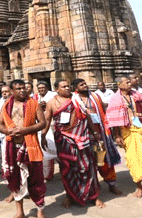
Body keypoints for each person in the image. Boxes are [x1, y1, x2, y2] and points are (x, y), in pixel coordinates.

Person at [41, 80, 105, 209]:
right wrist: (43, 136)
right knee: (67, 169)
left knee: (88, 167)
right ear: (56, 89)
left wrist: (95, 132)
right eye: (63, 86)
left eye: (67, 86)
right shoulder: (52, 103)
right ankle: (70, 196)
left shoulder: (76, 99)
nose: (66, 88)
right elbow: (47, 120)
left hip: (83, 138)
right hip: (64, 140)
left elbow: (87, 116)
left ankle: (93, 196)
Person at [0, 80, 50, 218]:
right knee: (15, 180)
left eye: (23, 88)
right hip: (12, 146)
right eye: (18, 89)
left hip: (30, 146)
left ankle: (40, 212)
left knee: (37, 180)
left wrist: (24, 130)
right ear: (12, 91)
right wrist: (7, 131)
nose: (22, 91)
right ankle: (19, 212)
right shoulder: (7, 104)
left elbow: (42, 123)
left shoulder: (34, 103)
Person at [71, 78, 123, 195]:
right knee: (88, 162)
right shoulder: (73, 100)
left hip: (100, 133)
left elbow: (104, 111)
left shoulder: (95, 96)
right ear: (75, 88)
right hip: (84, 134)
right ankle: (94, 186)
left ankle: (111, 184)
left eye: (85, 83)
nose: (85, 86)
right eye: (81, 85)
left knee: (104, 160)